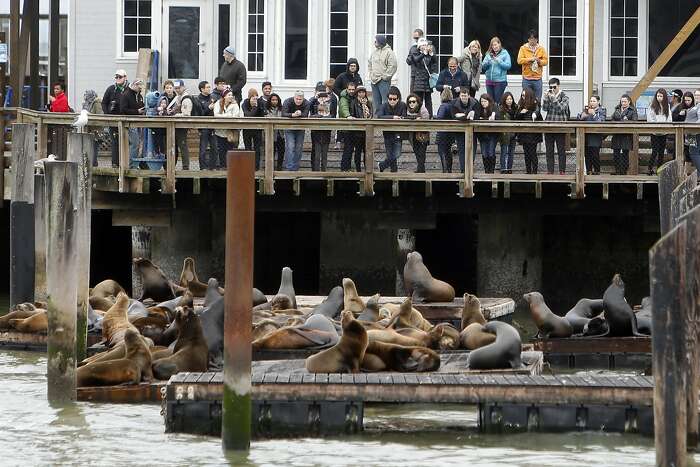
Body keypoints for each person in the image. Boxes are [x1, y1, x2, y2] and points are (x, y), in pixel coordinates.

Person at [542, 77, 570, 174]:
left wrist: (554, 99)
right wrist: (545, 99)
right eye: (551, 87)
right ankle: (550, 170)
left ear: (558, 85)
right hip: (549, 126)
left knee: (561, 150)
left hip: (560, 126)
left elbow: (561, 109)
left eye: (554, 87)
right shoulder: (550, 94)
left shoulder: (565, 96)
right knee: (549, 150)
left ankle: (562, 170)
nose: (552, 89)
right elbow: (545, 109)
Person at [377, 86, 407, 172]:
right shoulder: (384, 106)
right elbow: (379, 116)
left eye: (394, 99)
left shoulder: (402, 105)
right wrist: (393, 117)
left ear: (398, 98)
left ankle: (382, 165)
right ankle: (394, 171)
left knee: (397, 154)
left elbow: (404, 117)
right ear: (388, 98)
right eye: (390, 99)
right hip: (387, 133)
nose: (392, 101)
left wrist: (400, 118)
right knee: (390, 154)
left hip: (398, 133)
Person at [309, 82, 337, 171]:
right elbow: (309, 111)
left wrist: (328, 117)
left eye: (323, 90)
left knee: (324, 152)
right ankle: (315, 171)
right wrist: (315, 98)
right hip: (316, 129)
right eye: (319, 90)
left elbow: (333, 114)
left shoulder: (331, 99)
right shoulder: (313, 100)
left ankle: (324, 170)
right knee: (316, 152)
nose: (321, 93)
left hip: (326, 128)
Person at [102, 70, 128, 167]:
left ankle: (125, 163)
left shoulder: (128, 89)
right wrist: (107, 114)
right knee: (114, 141)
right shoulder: (111, 89)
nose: (118, 79)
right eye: (116, 77)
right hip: (113, 119)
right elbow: (104, 102)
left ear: (125, 77)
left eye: (120, 77)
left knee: (126, 142)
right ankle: (115, 163)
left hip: (126, 120)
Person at [450, 88, 480, 172]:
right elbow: (454, 116)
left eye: (465, 96)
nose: (463, 97)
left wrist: (461, 115)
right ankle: (463, 170)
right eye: (462, 96)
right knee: (462, 151)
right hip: (459, 131)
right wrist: (467, 115)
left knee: (472, 151)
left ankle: (470, 169)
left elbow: (476, 116)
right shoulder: (454, 103)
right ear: (459, 96)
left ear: (469, 96)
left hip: (472, 131)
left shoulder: (475, 102)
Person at [406, 38, 437, 117]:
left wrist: (431, 54)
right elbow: (416, 60)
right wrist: (423, 53)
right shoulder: (415, 53)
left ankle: (429, 116)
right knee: (418, 99)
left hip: (427, 80)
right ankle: (417, 115)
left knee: (428, 100)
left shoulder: (428, 54)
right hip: (418, 80)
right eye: (423, 45)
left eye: (425, 45)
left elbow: (434, 61)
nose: (424, 46)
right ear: (419, 46)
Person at [577, 95, 607, 175]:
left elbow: (601, 121)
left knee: (595, 155)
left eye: (594, 101)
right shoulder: (587, 109)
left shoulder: (602, 110)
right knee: (587, 155)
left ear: (598, 102)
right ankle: (589, 171)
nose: (592, 103)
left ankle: (597, 171)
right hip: (586, 136)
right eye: (591, 101)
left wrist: (594, 114)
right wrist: (581, 116)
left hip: (595, 136)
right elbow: (579, 118)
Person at [515, 88, 543, 174]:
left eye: (524, 95)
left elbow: (538, 114)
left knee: (532, 152)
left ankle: (534, 171)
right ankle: (528, 171)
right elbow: (517, 117)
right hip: (524, 133)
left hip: (533, 133)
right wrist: (521, 113)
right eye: (522, 95)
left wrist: (534, 114)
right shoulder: (521, 104)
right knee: (526, 153)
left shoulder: (535, 103)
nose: (523, 97)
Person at [119, 79, 145, 168]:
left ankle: (136, 164)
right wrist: (137, 111)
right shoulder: (126, 95)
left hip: (138, 123)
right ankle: (131, 165)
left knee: (138, 144)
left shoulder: (140, 96)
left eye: (141, 86)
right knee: (135, 143)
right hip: (129, 123)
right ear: (134, 85)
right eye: (138, 86)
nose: (140, 87)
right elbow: (123, 109)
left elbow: (141, 105)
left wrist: (142, 110)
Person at [368, 35, 397, 114]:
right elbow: (369, 64)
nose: (374, 43)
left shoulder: (389, 52)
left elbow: (393, 66)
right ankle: (376, 119)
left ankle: (385, 119)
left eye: (376, 41)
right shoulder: (374, 52)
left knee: (385, 101)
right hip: (374, 81)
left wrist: (385, 77)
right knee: (376, 102)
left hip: (383, 81)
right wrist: (371, 75)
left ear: (380, 42)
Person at [281, 90, 310, 171]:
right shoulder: (287, 101)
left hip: (300, 128)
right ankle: (289, 168)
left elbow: (306, 114)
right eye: (296, 99)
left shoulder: (306, 103)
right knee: (290, 147)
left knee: (299, 148)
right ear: (294, 97)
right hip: (289, 127)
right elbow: (283, 114)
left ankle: (295, 168)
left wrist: (300, 113)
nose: (298, 101)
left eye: (300, 99)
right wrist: (292, 115)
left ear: (303, 99)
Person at [213, 88, 242, 169]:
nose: (231, 96)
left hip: (230, 131)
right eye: (229, 95)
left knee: (230, 149)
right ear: (224, 96)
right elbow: (216, 115)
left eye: (231, 95)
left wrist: (223, 116)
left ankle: (230, 166)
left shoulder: (235, 104)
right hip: (220, 131)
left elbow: (235, 116)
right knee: (221, 150)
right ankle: (223, 166)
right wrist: (228, 115)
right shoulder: (218, 103)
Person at [338, 82, 364, 171]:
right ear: (347, 89)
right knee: (348, 149)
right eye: (350, 89)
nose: (351, 91)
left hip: (354, 127)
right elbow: (343, 107)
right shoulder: (344, 97)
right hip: (346, 127)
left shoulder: (355, 97)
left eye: (353, 89)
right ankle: (344, 169)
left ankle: (349, 168)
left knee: (351, 149)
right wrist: (348, 116)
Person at [169, 80, 194, 170]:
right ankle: (173, 166)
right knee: (176, 145)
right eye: (175, 88)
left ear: (183, 87)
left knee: (182, 145)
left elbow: (186, 114)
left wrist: (175, 115)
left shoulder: (186, 98)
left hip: (182, 126)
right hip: (178, 125)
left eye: (179, 88)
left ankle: (185, 167)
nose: (177, 90)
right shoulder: (179, 96)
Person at [610, 94, 638, 175]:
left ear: (629, 102)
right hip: (617, 134)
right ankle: (617, 170)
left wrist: (626, 121)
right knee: (616, 153)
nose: (623, 103)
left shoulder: (632, 110)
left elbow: (635, 121)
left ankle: (623, 171)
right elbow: (612, 119)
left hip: (626, 135)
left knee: (625, 154)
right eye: (622, 101)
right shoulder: (617, 109)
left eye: (625, 101)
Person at [646, 88, 672, 175]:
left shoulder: (667, 106)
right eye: (658, 96)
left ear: (664, 97)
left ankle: (659, 169)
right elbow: (650, 119)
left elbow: (669, 118)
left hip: (664, 132)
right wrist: (656, 126)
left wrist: (666, 127)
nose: (659, 97)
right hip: (655, 132)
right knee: (655, 151)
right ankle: (649, 168)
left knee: (661, 151)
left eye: (661, 96)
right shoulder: (652, 106)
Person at [517, 30, 548, 100]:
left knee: (537, 99)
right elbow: (519, 60)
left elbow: (546, 62)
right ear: (528, 39)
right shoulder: (523, 48)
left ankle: (537, 111)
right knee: (526, 99)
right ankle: (526, 111)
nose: (533, 40)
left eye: (534, 38)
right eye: (531, 39)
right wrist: (530, 59)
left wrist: (539, 61)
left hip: (538, 79)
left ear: (537, 39)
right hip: (526, 78)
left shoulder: (541, 49)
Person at [481, 37, 511, 105]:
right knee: (490, 102)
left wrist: (499, 61)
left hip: (500, 81)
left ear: (499, 44)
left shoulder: (505, 53)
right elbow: (483, 66)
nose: (494, 47)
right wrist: (488, 62)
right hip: (489, 81)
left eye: (496, 45)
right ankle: (491, 115)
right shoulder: (488, 54)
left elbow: (508, 66)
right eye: (492, 45)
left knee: (498, 102)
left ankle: (497, 115)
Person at [242, 88, 266, 170]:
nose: (255, 99)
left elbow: (263, 114)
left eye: (256, 97)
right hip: (247, 128)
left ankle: (256, 167)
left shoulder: (260, 102)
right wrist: (254, 107)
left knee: (257, 148)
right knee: (247, 148)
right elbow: (248, 115)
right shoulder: (245, 103)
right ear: (249, 98)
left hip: (257, 129)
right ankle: (248, 166)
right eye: (253, 97)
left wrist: (258, 106)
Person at [406, 93, 430, 173]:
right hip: (412, 134)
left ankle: (421, 171)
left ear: (417, 102)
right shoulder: (407, 110)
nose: (411, 104)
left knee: (422, 153)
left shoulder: (423, 109)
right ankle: (420, 170)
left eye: (413, 101)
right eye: (409, 102)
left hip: (422, 134)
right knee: (417, 152)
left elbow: (427, 120)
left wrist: (421, 120)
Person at [196, 80, 217, 170]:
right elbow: (200, 114)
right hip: (203, 127)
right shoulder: (197, 99)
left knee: (215, 149)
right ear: (202, 89)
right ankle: (203, 167)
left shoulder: (213, 97)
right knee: (203, 149)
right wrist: (209, 108)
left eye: (209, 87)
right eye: (207, 87)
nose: (209, 89)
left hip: (213, 126)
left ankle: (213, 166)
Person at [475, 93, 497, 173]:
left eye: (485, 101)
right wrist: (486, 118)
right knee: (484, 153)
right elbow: (477, 117)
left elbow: (496, 117)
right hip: (482, 135)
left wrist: (486, 118)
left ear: (489, 101)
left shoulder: (494, 107)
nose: (483, 103)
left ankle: (491, 171)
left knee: (491, 153)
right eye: (482, 101)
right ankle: (486, 171)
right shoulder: (479, 108)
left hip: (492, 135)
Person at [497, 92, 518, 174]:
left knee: (511, 152)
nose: (509, 101)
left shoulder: (515, 108)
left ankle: (509, 168)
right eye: (507, 99)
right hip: (505, 133)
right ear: (504, 100)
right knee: (504, 151)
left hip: (514, 133)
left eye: (510, 99)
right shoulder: (501, 109)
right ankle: (503, 168)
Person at [81, 90, 103, 166]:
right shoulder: (86, 104)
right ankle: (88, 163)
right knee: (88, 147)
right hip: (87, 129)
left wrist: (89, 115)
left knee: (94, 147)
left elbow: (100, 116)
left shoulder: (97, 103)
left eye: (87, 95)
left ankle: (94, 164)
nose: (85, 97)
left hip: (95, 130)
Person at [436, 88, 455, 173]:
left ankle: (445, 170)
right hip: (451, 132)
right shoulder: (452, 105)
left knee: (442, 151)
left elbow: (440, 117)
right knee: (448, 151)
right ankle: (449, 169)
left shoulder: (443, 106)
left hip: (442, 132)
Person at [265, 93, 285, 170]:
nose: (274, 101)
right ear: (270, 100)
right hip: (271, 134)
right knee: (271, 152)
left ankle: (279, 167)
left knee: (281, 151)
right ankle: (270, 167)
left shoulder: (282, 108)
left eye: (276, 100)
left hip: (280, 133)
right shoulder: (266, 109)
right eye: (273, 100)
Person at [675, 91, 696, 165]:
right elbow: (674, 119)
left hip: (691, 133)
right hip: (681, 133)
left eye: (689, 100)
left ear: (692, 100)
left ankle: (690, 169)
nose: (687, 102)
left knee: (690, 151)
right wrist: (680, 115)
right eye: (685, 100)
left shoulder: (695, 108)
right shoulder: (679, 107)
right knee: (681, 150)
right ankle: (681, 167)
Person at [685, 89, 700, 172]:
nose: (697, 97)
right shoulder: (696, 105)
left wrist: (692, 126)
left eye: (699, 95)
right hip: (692, 133)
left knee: (693, 153)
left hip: (695, 133)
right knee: (696, 152)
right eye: (696, 95)